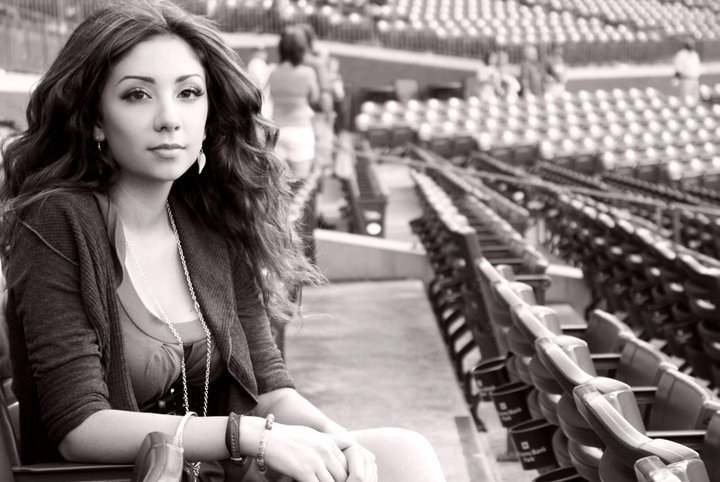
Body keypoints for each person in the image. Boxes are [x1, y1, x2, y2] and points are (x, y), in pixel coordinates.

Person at [0, 2, 447, 482]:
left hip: (217, 469)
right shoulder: (56, 220)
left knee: (402, 454)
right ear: (94, 119)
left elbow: (271, 390)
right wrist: (247, 436)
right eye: (137, 95)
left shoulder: (209, 217)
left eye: (188, 93)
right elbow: (78, 426)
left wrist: (342, 442)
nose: (169, 118)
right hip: (130, 476)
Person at [267, 26, 320, 180]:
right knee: (301, 181)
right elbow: (315, 98)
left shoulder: (273, 72)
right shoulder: (307, 73)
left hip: (277, 130)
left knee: (279, 181)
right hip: (300, 130)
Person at [245, 45, 273, 119]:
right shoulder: (256, 63)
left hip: (260, 98)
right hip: (260, 99)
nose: (263, 53)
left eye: (264, 51)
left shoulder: (258, 63)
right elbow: (261, 84)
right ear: (255, 52)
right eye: (260, 51)